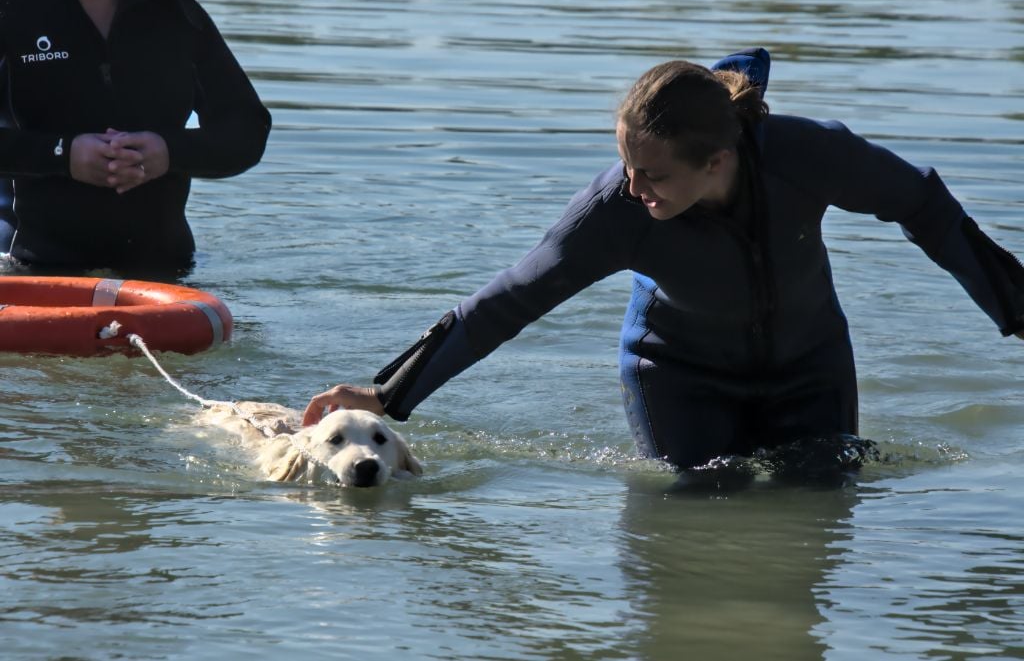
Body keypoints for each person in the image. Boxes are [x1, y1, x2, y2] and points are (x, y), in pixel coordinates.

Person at [302, 48, 1024, 472]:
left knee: (825, 493)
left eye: (653, 175)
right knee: (709, 501)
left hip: (811, 368)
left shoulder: (810, 156)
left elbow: (925, 206)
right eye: (625, 165)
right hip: (681, 379)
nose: (632, 187)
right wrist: (387, 396)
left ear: (716, 161)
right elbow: (506, 304)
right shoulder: (616, 210)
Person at [0, 0, 271, 272]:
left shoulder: (175, 9)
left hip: (166, 270)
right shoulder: (11, 5)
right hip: (29, 265)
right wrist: (62, 155)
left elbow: (247, 130)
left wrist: (168, 153)